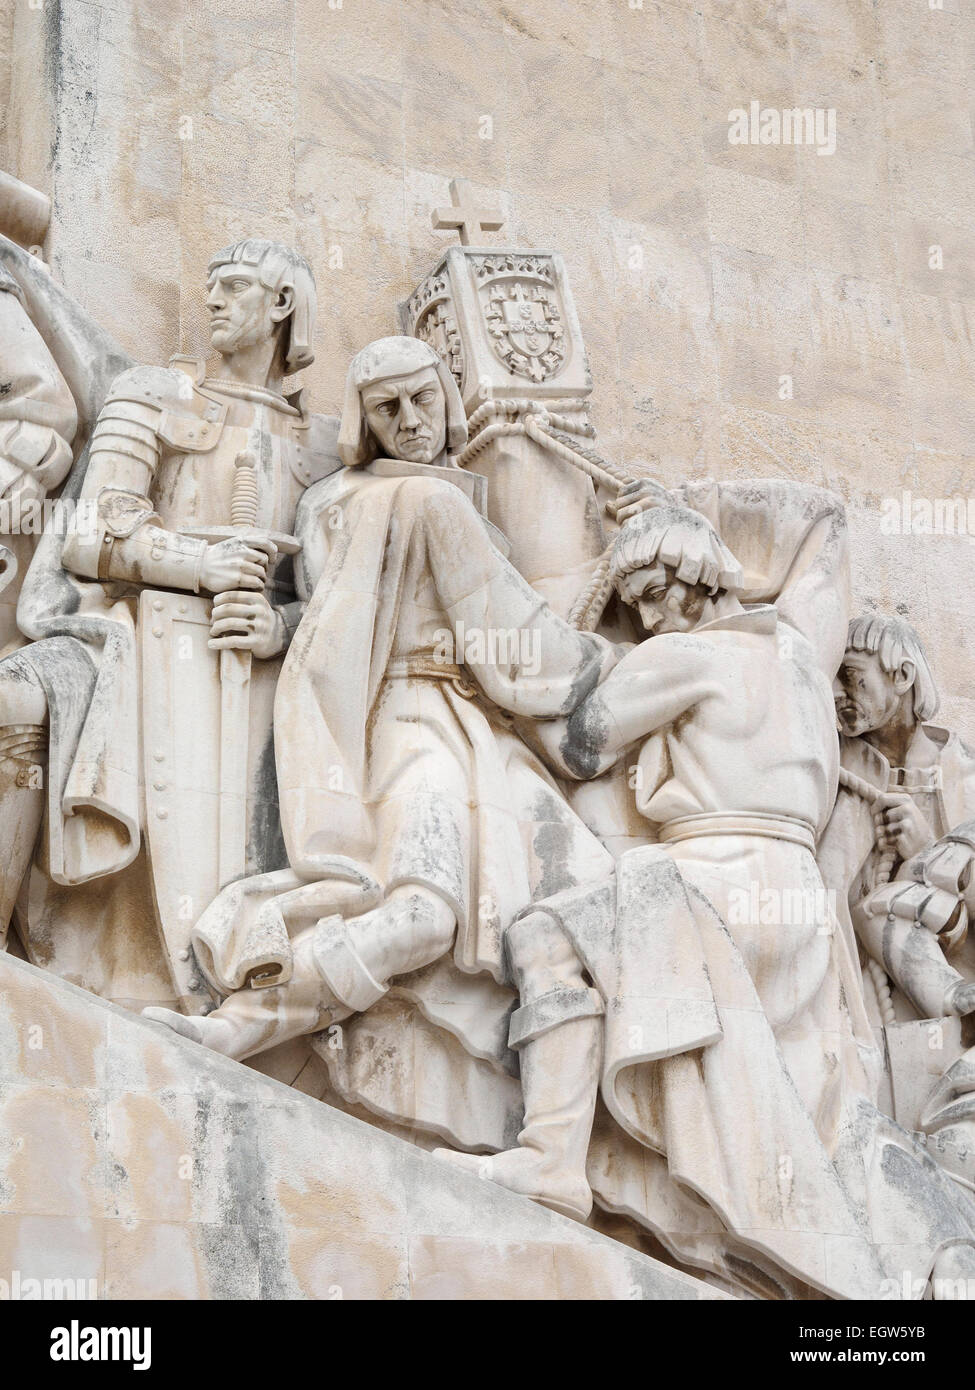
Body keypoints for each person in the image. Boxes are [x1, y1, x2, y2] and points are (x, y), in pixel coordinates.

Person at [0, 239, 337, 1009]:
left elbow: (346, 593)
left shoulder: (324, 449)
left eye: (234, 286)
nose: (212, 300)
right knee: (13, 706)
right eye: (209, 285)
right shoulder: (153, 395)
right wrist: (199, 564)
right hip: (129, 641)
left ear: (281, 305)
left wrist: (281, 624)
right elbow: (90, 532)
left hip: (263, 678)